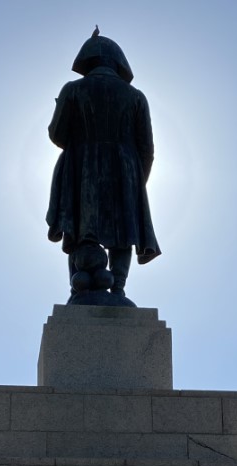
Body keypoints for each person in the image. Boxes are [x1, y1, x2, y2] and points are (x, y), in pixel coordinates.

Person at [46, 30, 160, 305]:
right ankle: (118, 289)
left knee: (80, 230)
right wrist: (136, 181)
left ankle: (79, 288)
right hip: (125, 170)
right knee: (124, 232)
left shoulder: (72, 89)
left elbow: (58, 135)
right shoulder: (136, 96)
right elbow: (147, 149)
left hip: (82, 169)